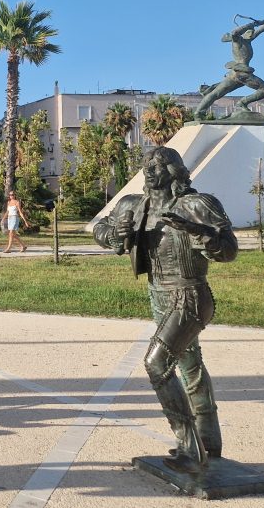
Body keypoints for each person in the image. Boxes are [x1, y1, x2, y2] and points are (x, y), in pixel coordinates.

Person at [93, 146, 237, 472]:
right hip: (157, 294)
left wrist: (200, 233)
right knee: (190, 365)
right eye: (146, 164)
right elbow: (100, 227)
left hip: (190, 295)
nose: (149, 170)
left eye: (157, 165)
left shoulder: (197, 204)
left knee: (156, 363)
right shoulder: (133, 205)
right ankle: (209, 441)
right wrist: (114, 234)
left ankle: (190, 449)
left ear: (174, 171)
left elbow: (229, 250)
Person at [194, 16, 264, 119]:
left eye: (252, 32)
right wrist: (251, 24)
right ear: (244, 33)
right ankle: (242, 102)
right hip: (242, 74)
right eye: (249, 31)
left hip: (235, 74)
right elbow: (235, 32)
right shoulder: (237, 41)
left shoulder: (247, 41)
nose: (252, 33)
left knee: (216, 94)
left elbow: (261, 30)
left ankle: (199, 113)